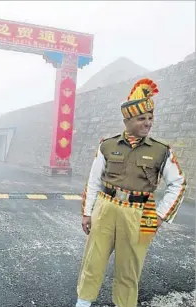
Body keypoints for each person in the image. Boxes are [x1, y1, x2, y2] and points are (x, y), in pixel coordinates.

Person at [75, 78, 187, 307]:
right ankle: (82, 304)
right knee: (92, 263)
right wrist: (87, 213)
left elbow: (178, 183)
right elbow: (94, 180)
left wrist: (159, 215)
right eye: (141, 119)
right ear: (127, 121)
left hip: (141, 213)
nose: (148, 123)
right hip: (105, 208)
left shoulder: (161, 151)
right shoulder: (107, 145)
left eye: (150, 118)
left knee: (129, 270)